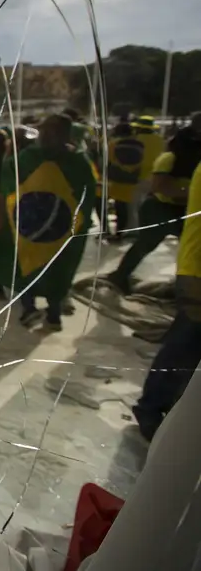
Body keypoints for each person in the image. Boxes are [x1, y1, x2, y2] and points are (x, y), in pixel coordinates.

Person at [0, 114, 95, 331]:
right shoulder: (78, 161)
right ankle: (50, 314)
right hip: (58, 229)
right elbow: (87, 193)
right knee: (54, 267)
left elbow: (8, 182)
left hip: (30, 226)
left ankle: (34, 310)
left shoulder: (27, 158)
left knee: (27, 264)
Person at [130, 159, 201, 442]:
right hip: (197, 271)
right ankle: (151, 408)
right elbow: (163, 186)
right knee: (185, 344)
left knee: (187, 344)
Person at [105, 114, 201, 295]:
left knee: (190, 249)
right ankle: (119, 276)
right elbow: (160, 187)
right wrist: (191, 193)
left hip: (183, 209)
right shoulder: (170, 157)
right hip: (160, 208)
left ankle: (187, 286)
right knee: (146, 244)